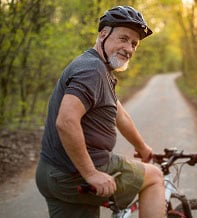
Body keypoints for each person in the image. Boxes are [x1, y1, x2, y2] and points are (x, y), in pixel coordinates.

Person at [35, 6, 165, 218]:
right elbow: (66, 121)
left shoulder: (97, 68)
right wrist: (91, 173)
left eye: (134, 44)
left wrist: (142, 147)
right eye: (123, 38)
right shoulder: (92, 70)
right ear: (103, 34)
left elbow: (119, 114)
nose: (129, 48)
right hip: (74, 174)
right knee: (154, 177)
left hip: (50, 174)